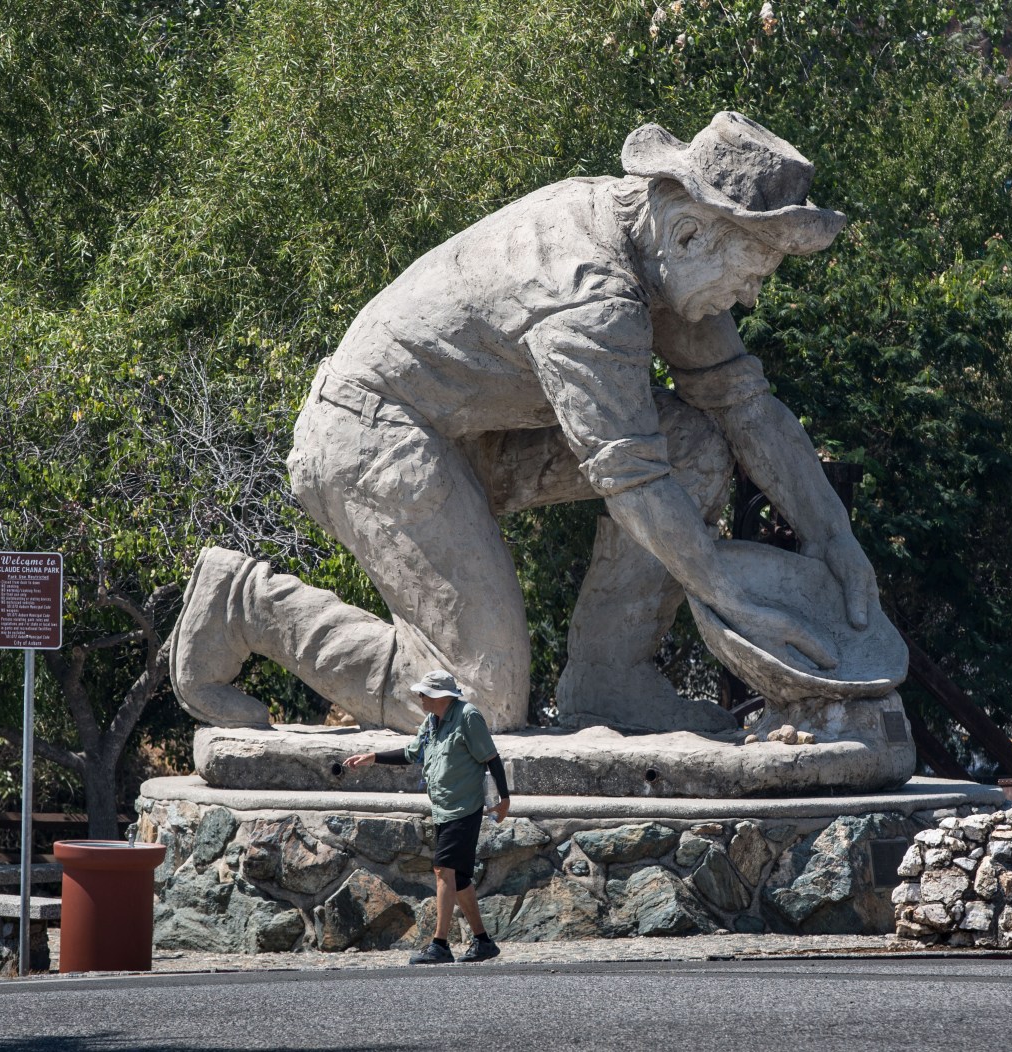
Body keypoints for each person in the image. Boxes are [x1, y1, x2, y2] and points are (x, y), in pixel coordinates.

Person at [171, 110, 880, 737]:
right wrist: (730, 594)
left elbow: (746, 406)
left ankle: (611, 679)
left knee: (693, 446)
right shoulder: (590, 296)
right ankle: (248, 606)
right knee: (480, 698)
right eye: (751, 271)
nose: (750, 296)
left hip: (469, 436)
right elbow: (632, 479)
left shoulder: (658, 249)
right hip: (370, 435)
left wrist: (834, 540)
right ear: (692, 232)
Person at [342, 669, 510, 964]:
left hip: (464, 808)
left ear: (440, 696)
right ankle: (483, 942)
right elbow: (412, 753)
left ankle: (440, 945)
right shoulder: (431, 722)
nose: (420, 697)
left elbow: (491, 758)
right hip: (443, 809)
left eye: (424, 693)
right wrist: (374, 758)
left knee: (443, 871)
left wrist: (504, 799)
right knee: (459, 878)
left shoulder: (468, 716)